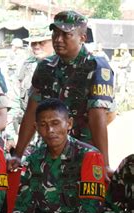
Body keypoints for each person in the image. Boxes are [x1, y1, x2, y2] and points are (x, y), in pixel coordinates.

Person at [8, 11, 115, 175]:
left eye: (66, 35)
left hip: (82, 153)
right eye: (55, 33)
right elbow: (32, 111)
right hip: (49, 151)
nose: (58, 39)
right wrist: (18, 154)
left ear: (82, 38)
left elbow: (98, 116)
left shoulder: (96, 67)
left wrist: (103, 163)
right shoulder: (45, 67)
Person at [5, 24, 54, 151]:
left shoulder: (62, 65)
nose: (36, 46)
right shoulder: (26, 65)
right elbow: (14, 101)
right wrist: (10, 135)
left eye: (41, 42)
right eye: (33, 43)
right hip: (29, 137)